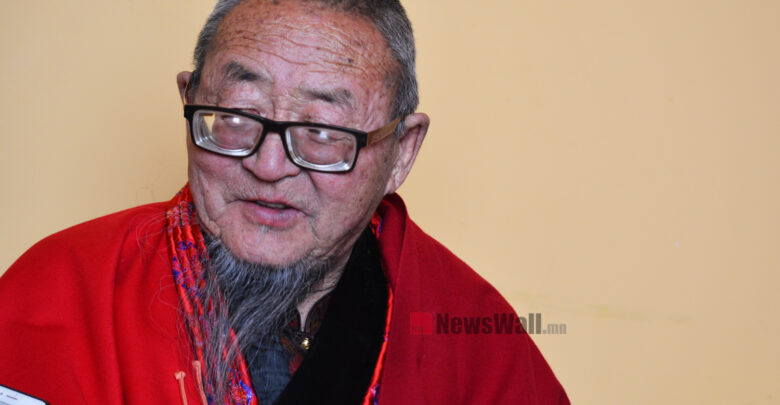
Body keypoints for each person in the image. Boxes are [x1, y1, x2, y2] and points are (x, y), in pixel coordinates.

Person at [0, 0, 569, 404]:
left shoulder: (475, 342)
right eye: (236, 116)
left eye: (322, 132)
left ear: (402, 151)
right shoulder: (57, 291)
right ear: (189, 100)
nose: (268, 166)